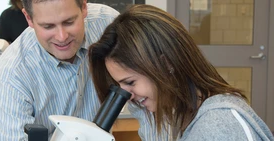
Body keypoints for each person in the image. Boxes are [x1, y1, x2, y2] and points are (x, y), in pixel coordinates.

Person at [88, 4, 274, 141]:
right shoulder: (187, 118)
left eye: (130, 82)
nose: (127, 96)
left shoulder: (219, 125)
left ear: (165, 64)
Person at [0, 0, 119, 140]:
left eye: (69, 22)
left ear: (84, 7)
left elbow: (143, 100)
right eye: (48, 26)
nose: (62, 37)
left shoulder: (109, 24)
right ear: (29, 18)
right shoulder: (10, 78)